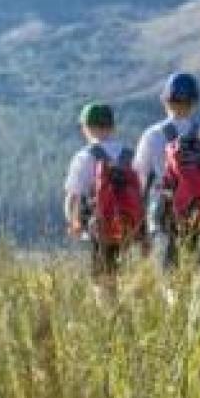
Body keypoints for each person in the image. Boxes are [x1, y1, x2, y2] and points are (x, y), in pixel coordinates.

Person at [137, 72, 200, 272]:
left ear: (164, 101)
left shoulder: (152, 135)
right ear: (195, 103)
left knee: (168, 271)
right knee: (198, 268)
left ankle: (172, 292)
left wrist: (140, 225)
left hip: (164, 208)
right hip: (199, 208)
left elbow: (139, 179)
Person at [63, 101, 143, 290]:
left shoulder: (84, 156)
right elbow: (140, 190)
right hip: (130, 224)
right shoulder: (130, 155)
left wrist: (73, 221)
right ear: (112, 127)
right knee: (123, 275)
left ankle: (107, 306)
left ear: (86, 128)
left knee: (101, 280)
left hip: (99, 226)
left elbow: (73, 196)